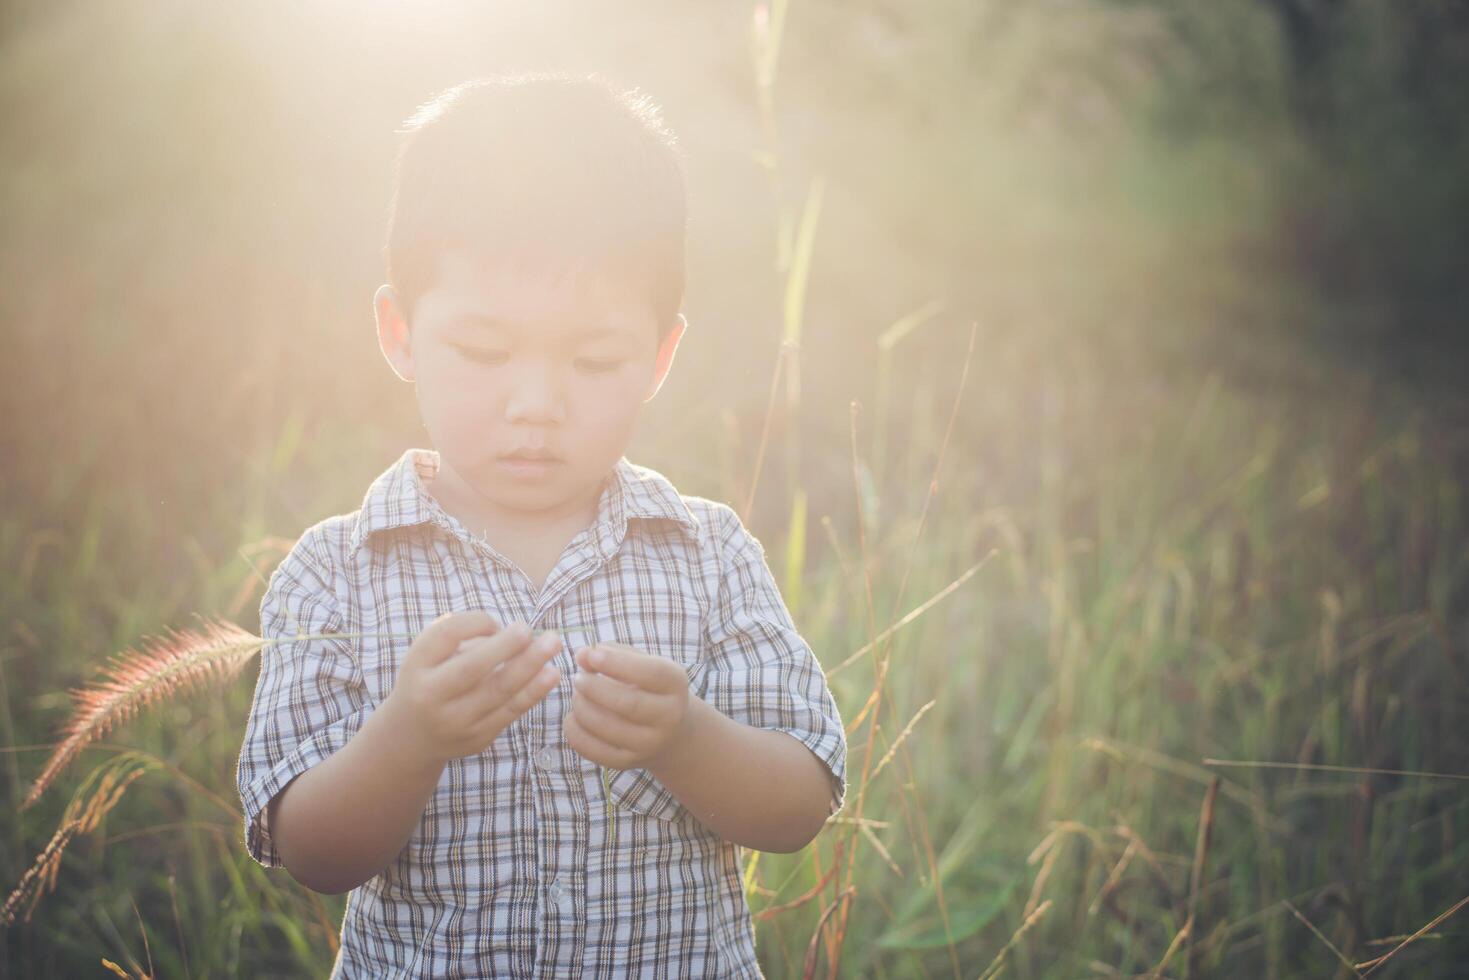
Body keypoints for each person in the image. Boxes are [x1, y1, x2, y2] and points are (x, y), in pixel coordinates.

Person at [234, 71, 847, 978]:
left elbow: (799, 805)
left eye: (594, 359)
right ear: (400, 333)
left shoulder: (706, 554)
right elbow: (312, 854)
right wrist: (407, 736)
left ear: (659, 356)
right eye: (483, 352)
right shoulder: (337, 571)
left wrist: (684, 738)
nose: (536, 404)